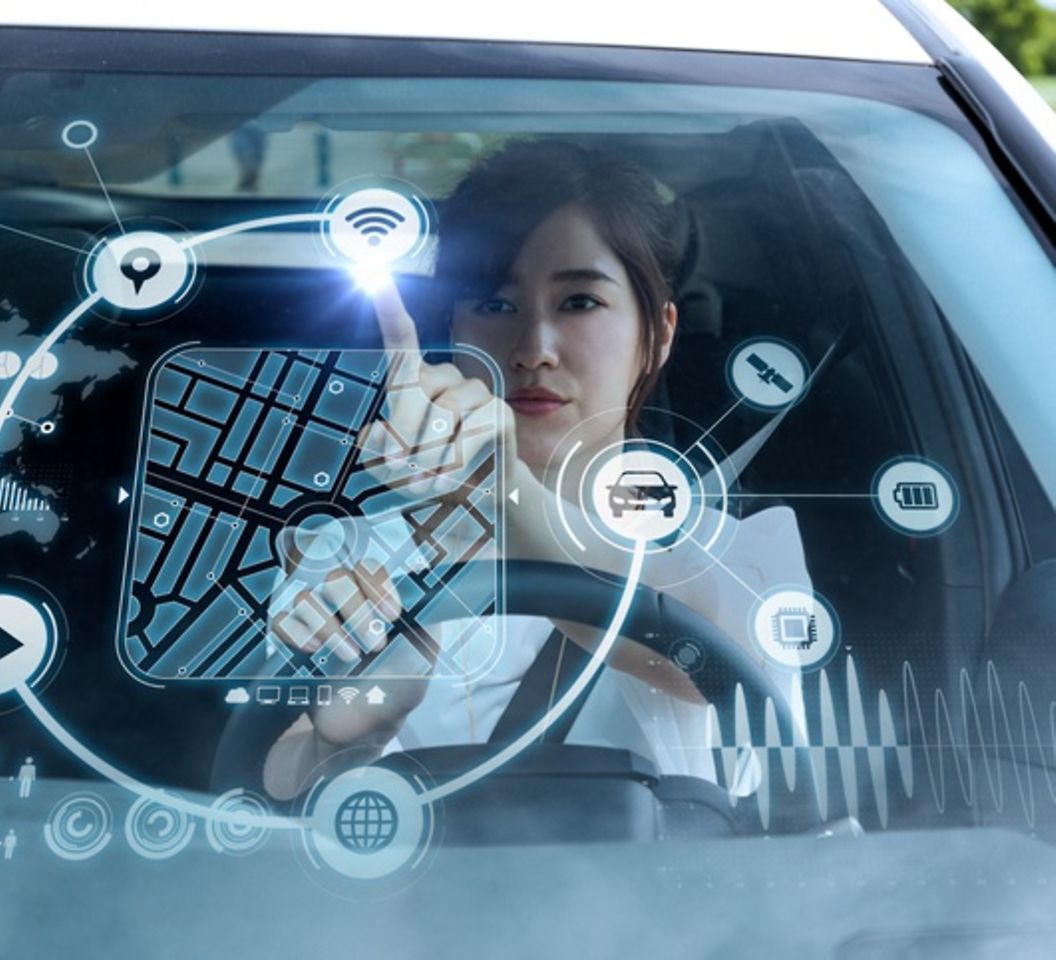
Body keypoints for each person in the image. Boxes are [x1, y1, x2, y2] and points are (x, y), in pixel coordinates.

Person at [262, 138, 809, 801]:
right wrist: (343, 737)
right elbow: (268, 785)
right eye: (495, 304)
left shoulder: (739, 549)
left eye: (579, 302)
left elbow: (720, 662)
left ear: (659, 333)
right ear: (453, 328)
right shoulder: (352, 559)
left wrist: (505, 494)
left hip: (675, 901)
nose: (533, 349)